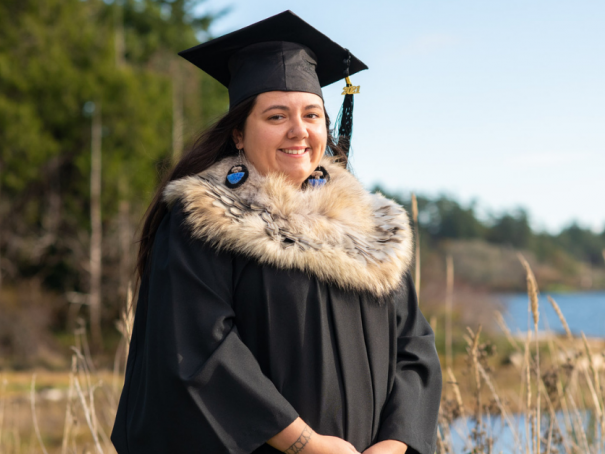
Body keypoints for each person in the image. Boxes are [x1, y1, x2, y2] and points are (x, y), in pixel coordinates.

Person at [111, 11, 442, 454]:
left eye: (312, 114)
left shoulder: (372, 229)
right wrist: (305, 443)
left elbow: (414, 348)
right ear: (239, 135)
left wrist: (396, 442)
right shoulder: (205, 221)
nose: (298, 131)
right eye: (276, 116)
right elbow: (197, 348)